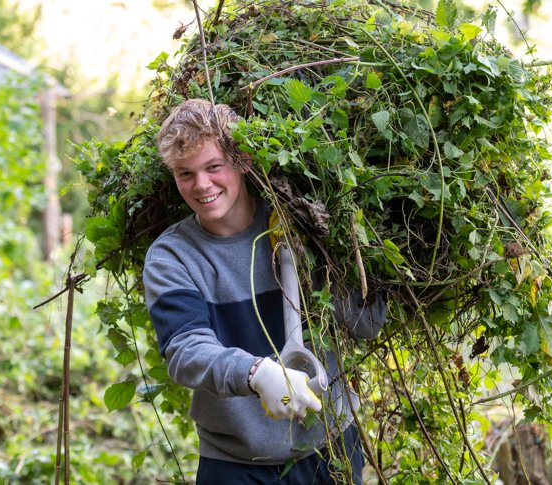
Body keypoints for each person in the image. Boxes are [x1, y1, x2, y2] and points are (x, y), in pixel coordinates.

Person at [143, 98, 386, 484]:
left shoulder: (302, 222)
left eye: (213, 167)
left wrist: (338, 256)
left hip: (331, 448)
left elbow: (367, 325)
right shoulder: (173, 257)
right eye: (185, 173)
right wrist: (256, 372)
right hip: (235, 461)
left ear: (242, 161)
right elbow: (185, 350)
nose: (201, 185)